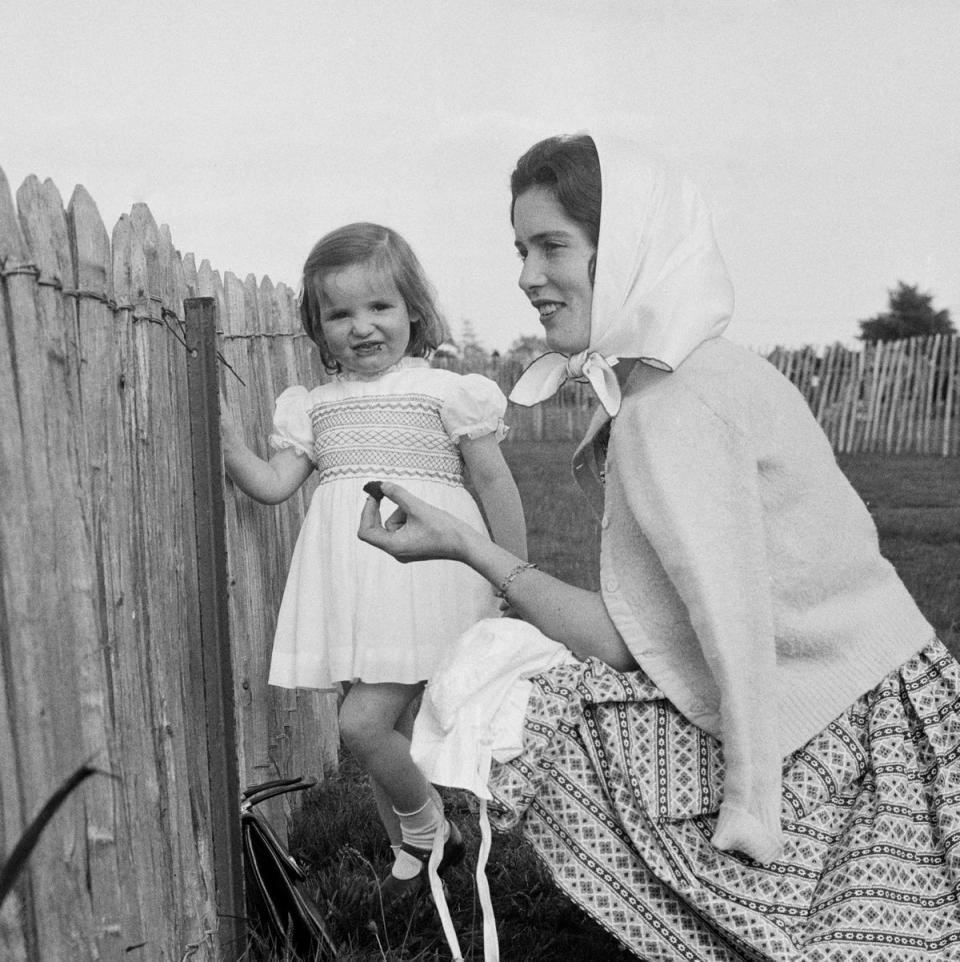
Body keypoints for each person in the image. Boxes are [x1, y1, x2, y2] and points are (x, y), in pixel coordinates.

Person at [357, 133, 960, 959]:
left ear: (630, 248)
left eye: (552, 247)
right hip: (890, 693)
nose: (528, 276)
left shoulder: (673, 408)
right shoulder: (701, 366)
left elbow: (712, 625)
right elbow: (670, 621)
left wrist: (751, 802)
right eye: (520, 250)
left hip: (856, 735)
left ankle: (746, 912)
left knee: (533, 708)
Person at [221, 221, 527, 908]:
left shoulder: (445, 393)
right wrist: (229, 443)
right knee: (384, 732)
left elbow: (496, 483)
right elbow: (273, 485)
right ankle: (412, 857)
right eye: (340, 314)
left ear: (413, 310)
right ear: (317, 326)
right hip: (354, 588)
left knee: (362, 725)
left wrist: (514, 574)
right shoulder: (317, 408)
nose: (362, 327)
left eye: (379, 307)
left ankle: (428, 829)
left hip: (426, 579)